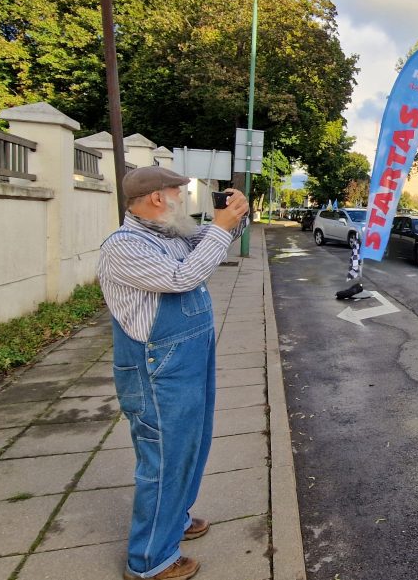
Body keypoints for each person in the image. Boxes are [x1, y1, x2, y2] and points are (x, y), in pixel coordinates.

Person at [97, 166, 249, 580]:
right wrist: (220, 227)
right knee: (163, 458)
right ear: (157, 199)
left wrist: (234, 218)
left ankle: (175, 519)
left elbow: (209, 244)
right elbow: (183, 277)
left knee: (190, 446)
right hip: (156, 370)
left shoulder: (169, 234)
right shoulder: (124, 246)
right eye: (177, 192)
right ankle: (149, 559)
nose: (183, 198)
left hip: (186, 362)